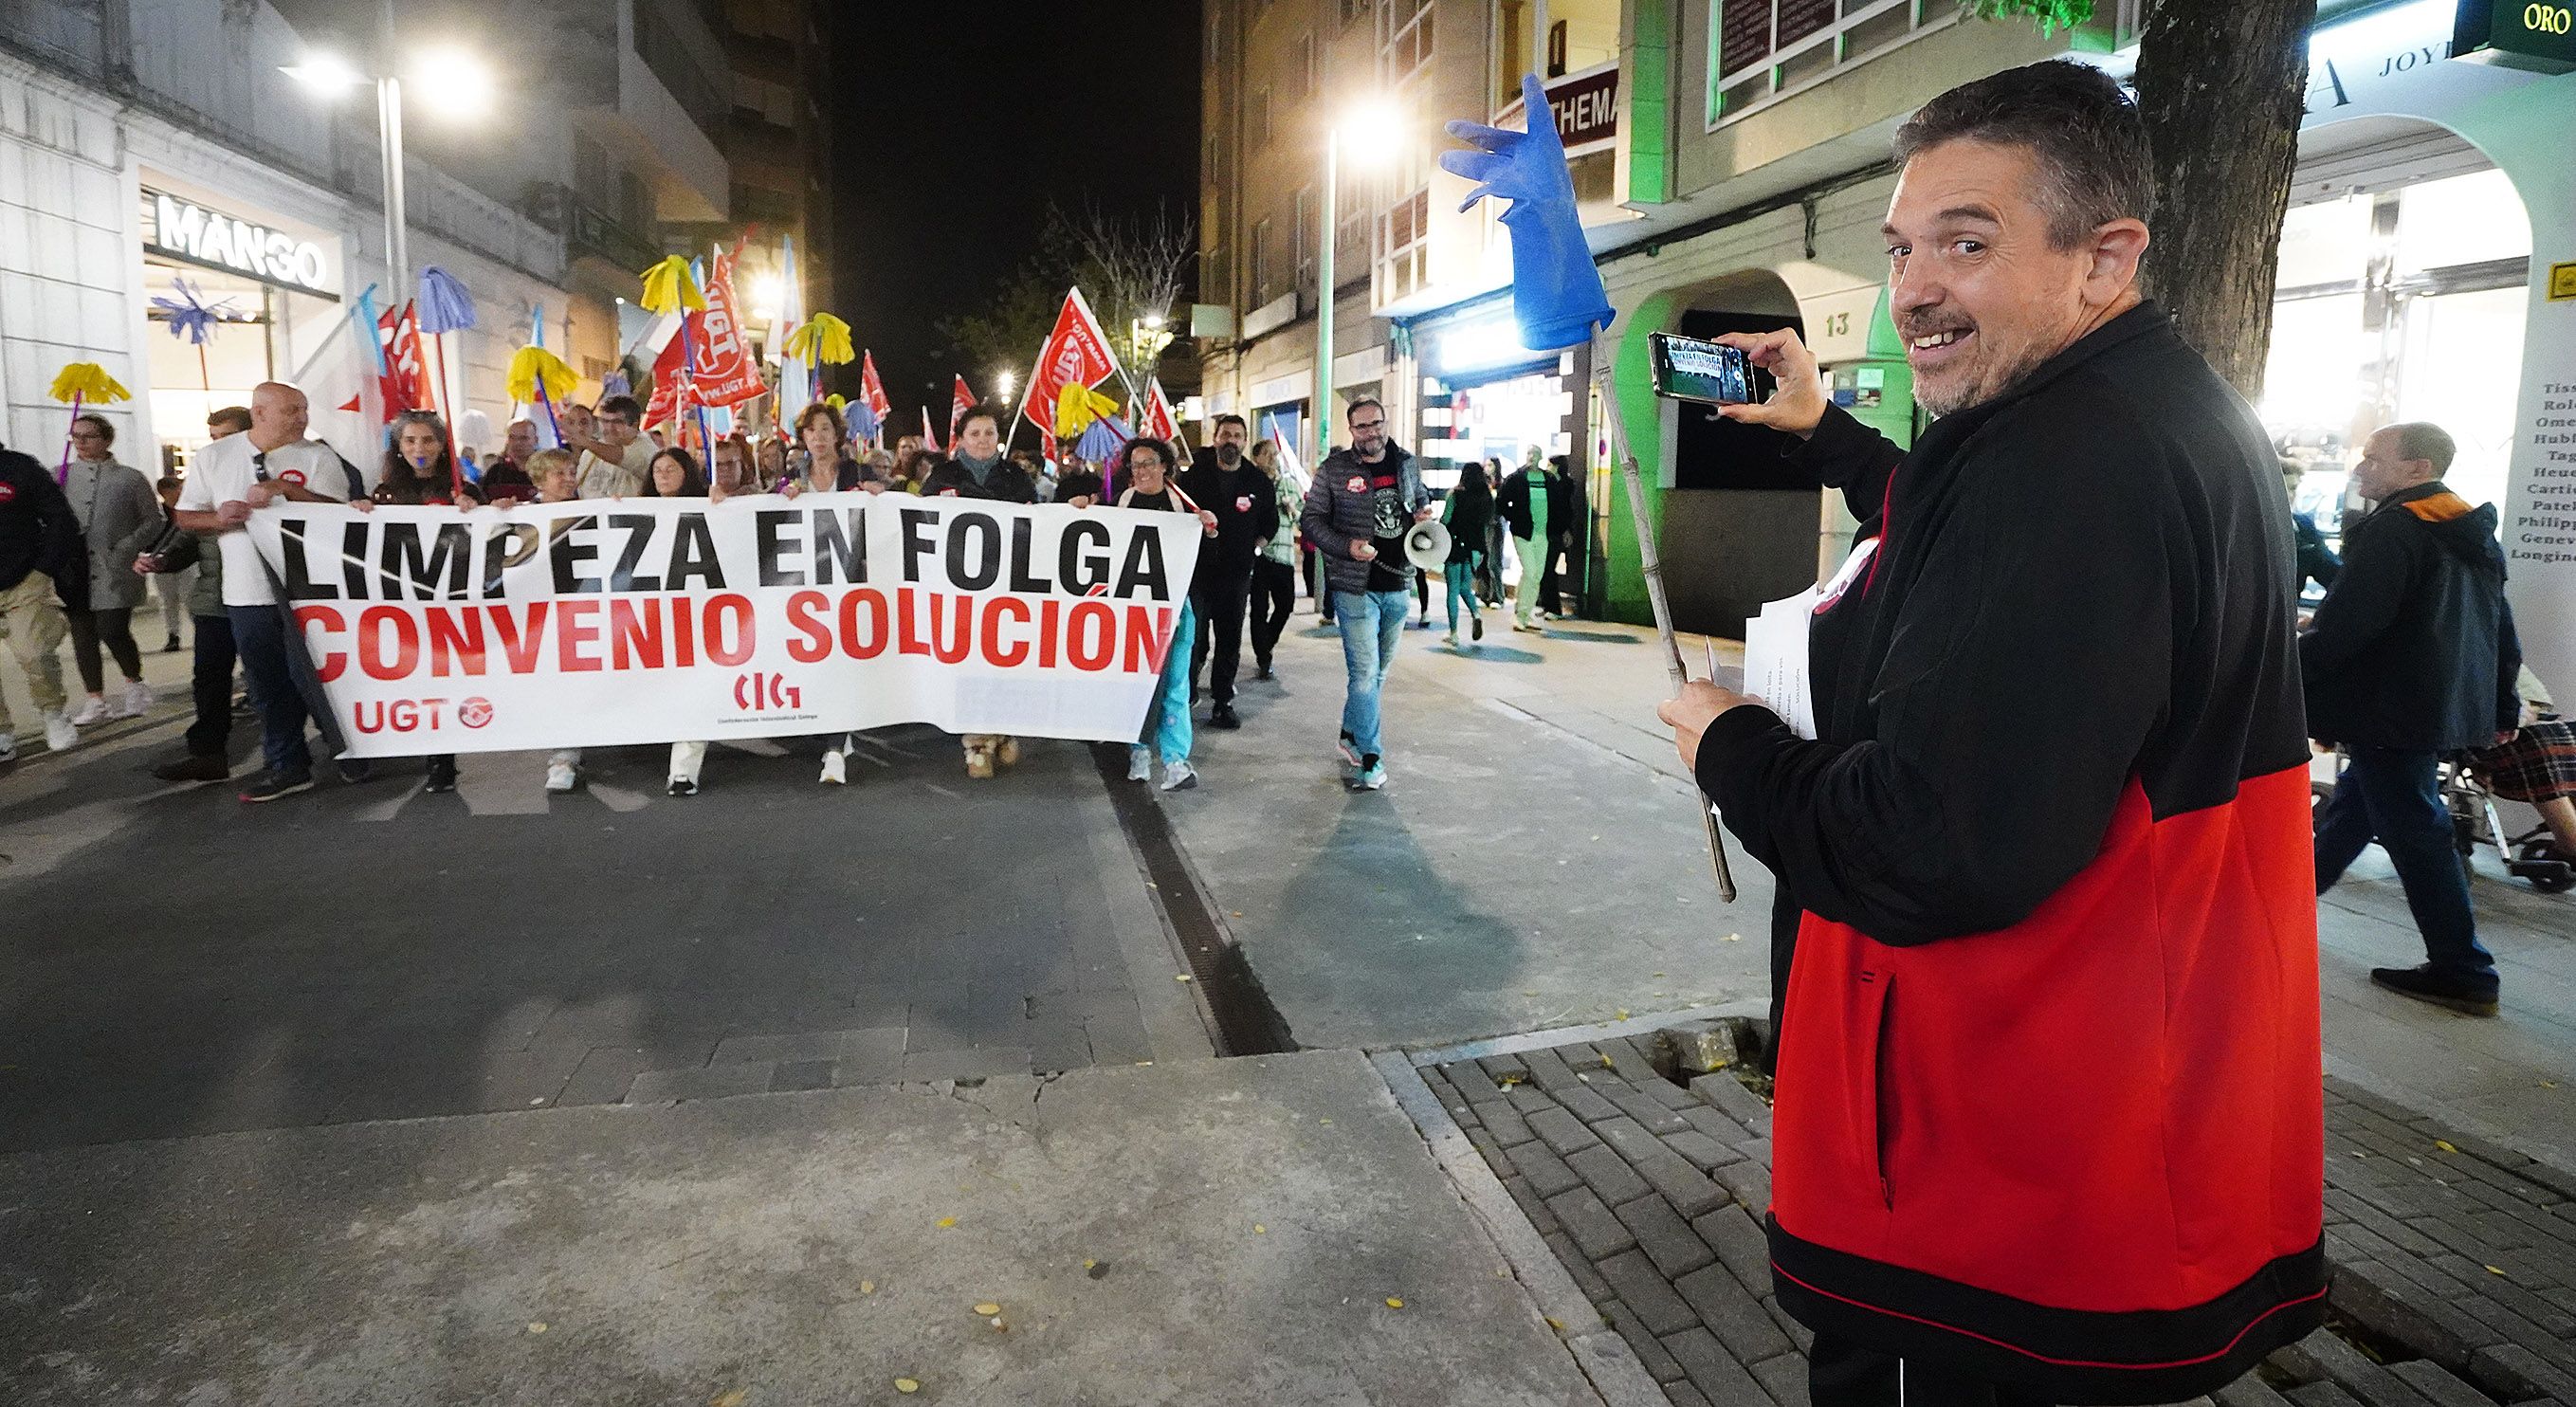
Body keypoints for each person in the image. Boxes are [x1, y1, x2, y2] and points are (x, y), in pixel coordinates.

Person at [1651, 62, 2323, 1407]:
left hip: (1993, 1172)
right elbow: (1963, 539)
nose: (1913, 289)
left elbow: (1928, 848)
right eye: (1903, 248)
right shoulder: (2136, 415)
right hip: (2110, 1116)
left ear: (2103, 256)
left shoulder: (2067, 464)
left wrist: (1728, 745)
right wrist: (1826, 431)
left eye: (1969, 242)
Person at [2305, 421, 2520, 1015]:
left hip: (2389, 708)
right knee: (2356, 807)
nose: (2360, 467)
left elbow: (2347, 627)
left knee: (2416, 829)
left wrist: (2287, 675)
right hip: (2432, 704)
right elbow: (2500, 625)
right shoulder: (2469, 530)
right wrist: (2502, 702)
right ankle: (2282, 913)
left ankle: (2465, 969)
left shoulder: (2397, 530)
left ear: (2418, 469)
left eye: (2375, 457)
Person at [172, 380, 365, 802]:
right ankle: (287, 764)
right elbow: (186, 516)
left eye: (303, 410)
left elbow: (340, 516)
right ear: (260, 413)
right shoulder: (216, 456)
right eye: (291, 411)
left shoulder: (318, 456)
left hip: (309, 590)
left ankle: (352, 750)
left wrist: (288, 491)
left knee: (321, 676)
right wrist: (222, 519)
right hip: (247, 591)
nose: (302, 418)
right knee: (267, 683)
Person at [1300, 396, 1432, 792]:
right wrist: (1346, 546)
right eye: (1362, 427)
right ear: (1351, 430)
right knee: (1363, 675)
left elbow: (1420, 498)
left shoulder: (1406, 462)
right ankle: (1372, 759)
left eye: (1377, 423)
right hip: (1355, 588)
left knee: (1378, 675)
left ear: (1385, 422)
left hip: (1398, 582)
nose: (1371, 432)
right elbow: (1311, 520)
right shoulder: (1335, 470)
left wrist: (1423, 513)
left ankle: (1350, 733)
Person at [358, 411, 474, 792]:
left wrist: (481, 507)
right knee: (421, 680)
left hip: (455, 596)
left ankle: (450, 752)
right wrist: (359, 514)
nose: (419, 448)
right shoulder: (385, 493)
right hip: (408, 599)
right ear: (399, 446)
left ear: (442, 446)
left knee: (452, 677)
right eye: (410, 441)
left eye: (427, 440)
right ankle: (432, 755)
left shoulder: (464, 487)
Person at [920, 406, 1036, 777]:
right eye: (975, 434)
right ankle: (976, 743)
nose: (983, 440)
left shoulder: (1015, 477)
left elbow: (1040, 520)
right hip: (957, 587)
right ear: (961, 439)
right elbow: (916, 519)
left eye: (989, 433)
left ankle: (1000, 729)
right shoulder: (942, 476)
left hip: (1007, 584)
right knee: (966, 660)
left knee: (1003, 657)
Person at [1109, 437, 1217, 791]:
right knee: (1137, 683)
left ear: (1165, 466)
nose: (1142, 471)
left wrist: (1208, 529)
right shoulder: (1121, 503)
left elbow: (1207, 550)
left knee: (1175, 682)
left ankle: (1175, 760)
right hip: (1133, 609)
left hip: (1175, 607)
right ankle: (1139, 750)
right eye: (1136, 464)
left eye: (1149, 463)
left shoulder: (1183, 505)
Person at [58, 413, 163, 725]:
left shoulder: (129, 478)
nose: (80, 442)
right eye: (74, 436)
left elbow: (153, 521)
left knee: (112, 629)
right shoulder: (60, 475)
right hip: (75, 569)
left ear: (105, 439)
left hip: (114, 567)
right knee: (82, 634)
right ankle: (95, 698)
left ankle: (135, 683)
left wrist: (127, 545)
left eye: (87, 436)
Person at [1180, 414, 1279, 729]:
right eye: (1225, 435)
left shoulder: (1258, 482)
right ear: (1215, 438)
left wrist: (1255, 547)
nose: (1230, 441)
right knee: (1193, 639)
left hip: (1235, 576)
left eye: (1237, 436)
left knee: (1229, 640)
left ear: (1244, 441)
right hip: (1196, 573)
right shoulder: (1194, 477)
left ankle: (1223, 702)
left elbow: (1270, 522)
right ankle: (1187, 692)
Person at [0, 445, 82, 761]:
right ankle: (3, 733)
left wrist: (44, 569)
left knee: (34, 653)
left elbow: (61, 520)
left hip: (25, 581)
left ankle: (53, 712)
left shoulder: (20, 468)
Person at [2470, 667, 2576, 867]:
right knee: (2537, 743)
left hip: (2515, 709)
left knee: (2552, 737)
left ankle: (2569, 839)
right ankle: (2570, 842)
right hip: (2490, 726)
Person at [1248, 438, 1299, 679]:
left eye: (1275, 454)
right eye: (1267, 454)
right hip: (1259, 554)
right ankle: (1263, 656)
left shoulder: (1289, 483)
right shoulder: (1252, 483)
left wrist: (1293, 509)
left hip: (1284, 554)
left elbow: (1303, 518)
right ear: (1256, 457)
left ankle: (1267, 642)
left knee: (1285, 604)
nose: (1272, 458)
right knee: (1259, 608)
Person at [1496, 448, 1553, 632]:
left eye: (1535, 453)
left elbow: (1557, 504)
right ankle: (1520, 615)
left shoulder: (1548, 480)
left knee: (1536, 575)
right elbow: (1502, 502)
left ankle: (1525, 613)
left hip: (1542, 533)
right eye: (1528, 453)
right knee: (1530, 571)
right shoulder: (1516, 479)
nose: (1531, 457)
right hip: (1523, 533)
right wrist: (1515, 517)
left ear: (1540, 457)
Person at [1439, 459, 1493, 649]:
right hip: (1476, 547)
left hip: (1455, 545)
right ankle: (1476, 614)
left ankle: (1453, 633)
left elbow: (1446, 519)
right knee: (1465, 587)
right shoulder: (1486, 496)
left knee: (1453, 590)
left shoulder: (1455, 494)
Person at [564, 393, 654, 500]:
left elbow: (621, 456)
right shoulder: (589, 454)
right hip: (592, 514)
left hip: (630, 515)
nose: (609, 428)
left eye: (617, 422)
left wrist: (586, 443)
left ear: (635, 424)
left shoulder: (646, 448)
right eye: (605, 421)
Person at [2282, 458, 2340, 594]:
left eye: (2293, 488)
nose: (2288, 495)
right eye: (2280, 488)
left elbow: (2334, 575)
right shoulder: (2244, 528)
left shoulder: (2302, 527)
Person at [1541, 452, 1587, 617]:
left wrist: (1567, 530)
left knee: (1548, 569)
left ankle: (1553, 608)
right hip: (1548, 531)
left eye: (1549, 465)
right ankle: (1548, 606)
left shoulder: (1567, 486)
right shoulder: (1549, 484)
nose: (1547, 468)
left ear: (1557, 466)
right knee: (1545, 569)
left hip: (1558, 533)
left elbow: (1567, 511)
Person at [150, 472, 190, 651]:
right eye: (178, 488)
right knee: (168, 601)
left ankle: (201, 630)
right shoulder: (157, 515)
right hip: (162, 564)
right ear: (165, 492)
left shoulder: (188, 510)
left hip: (186, 560)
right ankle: (173, 634)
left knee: (190, 598)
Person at [477, 419, 540, 502]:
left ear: (535, 440)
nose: (517, 443)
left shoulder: (544, 471)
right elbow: (480, 501)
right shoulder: (495, 473)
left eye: (524, 438)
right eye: (512, 437)